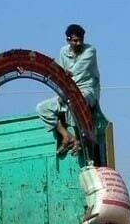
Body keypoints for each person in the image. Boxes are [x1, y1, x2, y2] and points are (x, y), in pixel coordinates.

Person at [36, 24, 100, 155]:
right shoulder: (63, 52)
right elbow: (62, 75)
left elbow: (77, 73)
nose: (78, 43)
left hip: (87, 90)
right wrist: (63, 91)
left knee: (75, 101)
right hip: (68, 92)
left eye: (81, 40)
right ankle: (67, 136)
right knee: (43, 108)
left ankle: (80, 141)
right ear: (68, 40)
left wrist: (65, 92)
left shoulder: (90, 51)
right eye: (75, 40)